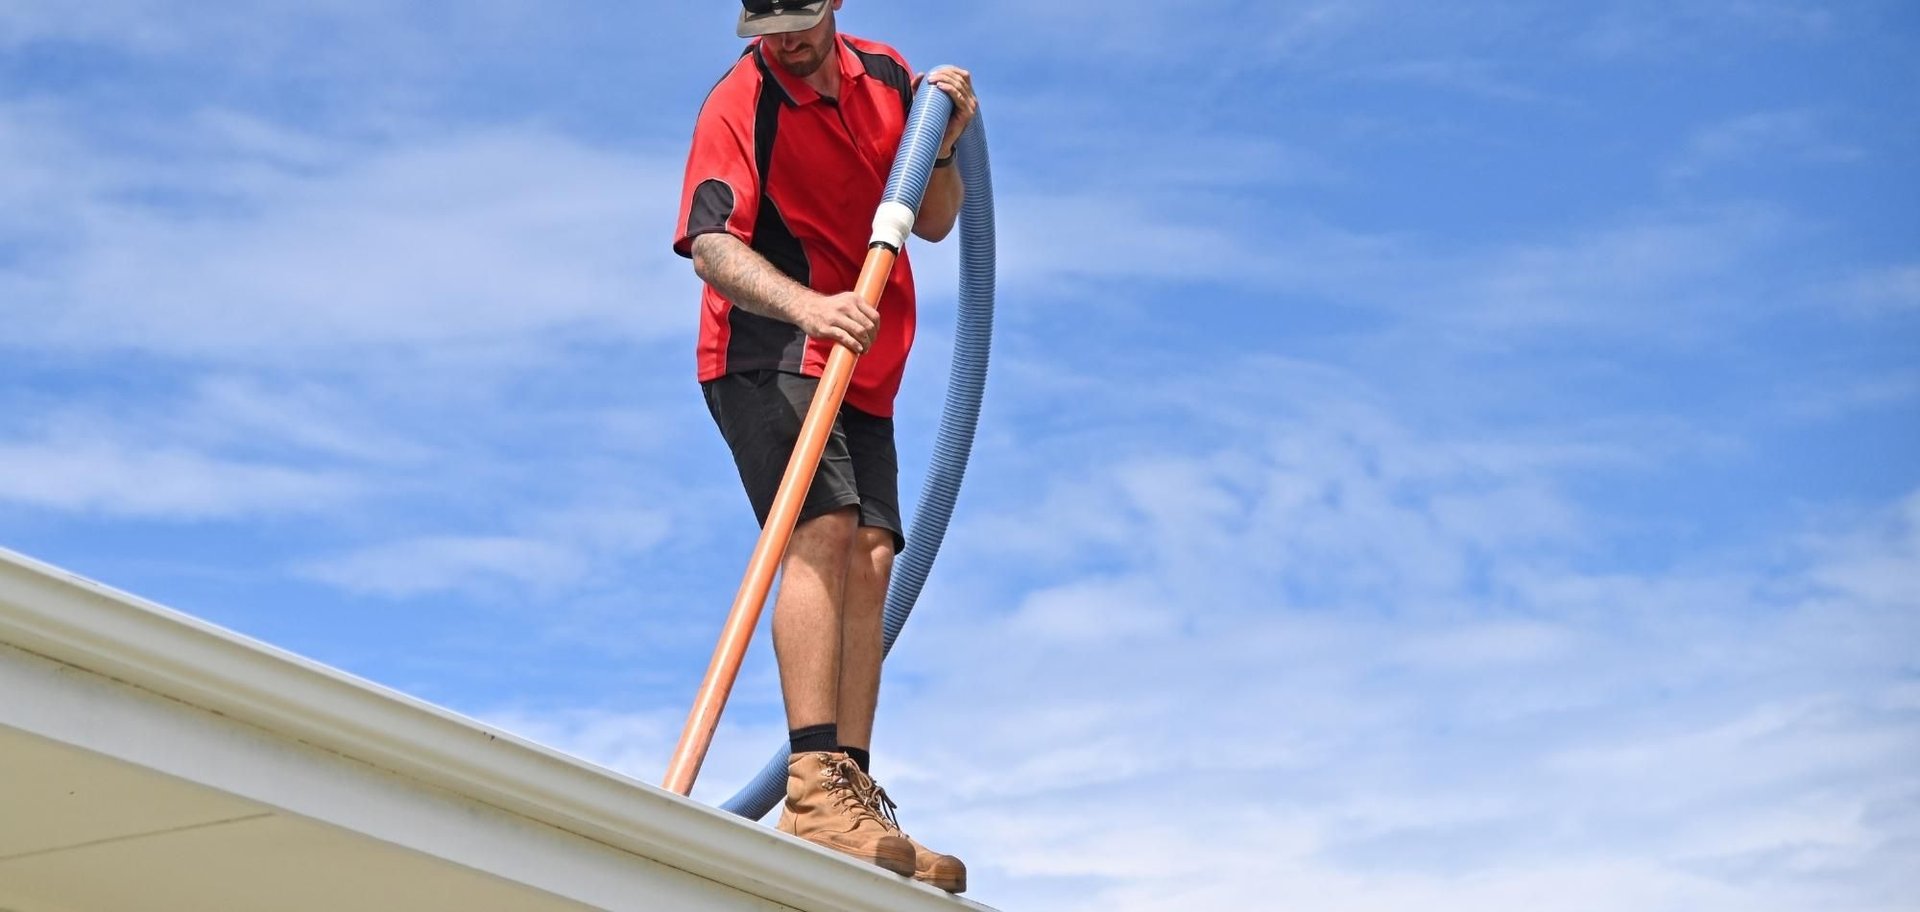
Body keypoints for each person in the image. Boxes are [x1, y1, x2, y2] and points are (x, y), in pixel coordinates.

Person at [671, 0, 978, 894]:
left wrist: (947, 144)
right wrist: (808, 307)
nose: (789, 43)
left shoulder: (886, 79)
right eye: (769, 30)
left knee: (875, 557)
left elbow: (935, 220)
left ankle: (847, 787)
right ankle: (811, 786)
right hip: (767, 347)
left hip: (865, 358)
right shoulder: (739, 104)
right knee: (826, 528)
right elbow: (711, 247)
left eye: (801, 21)